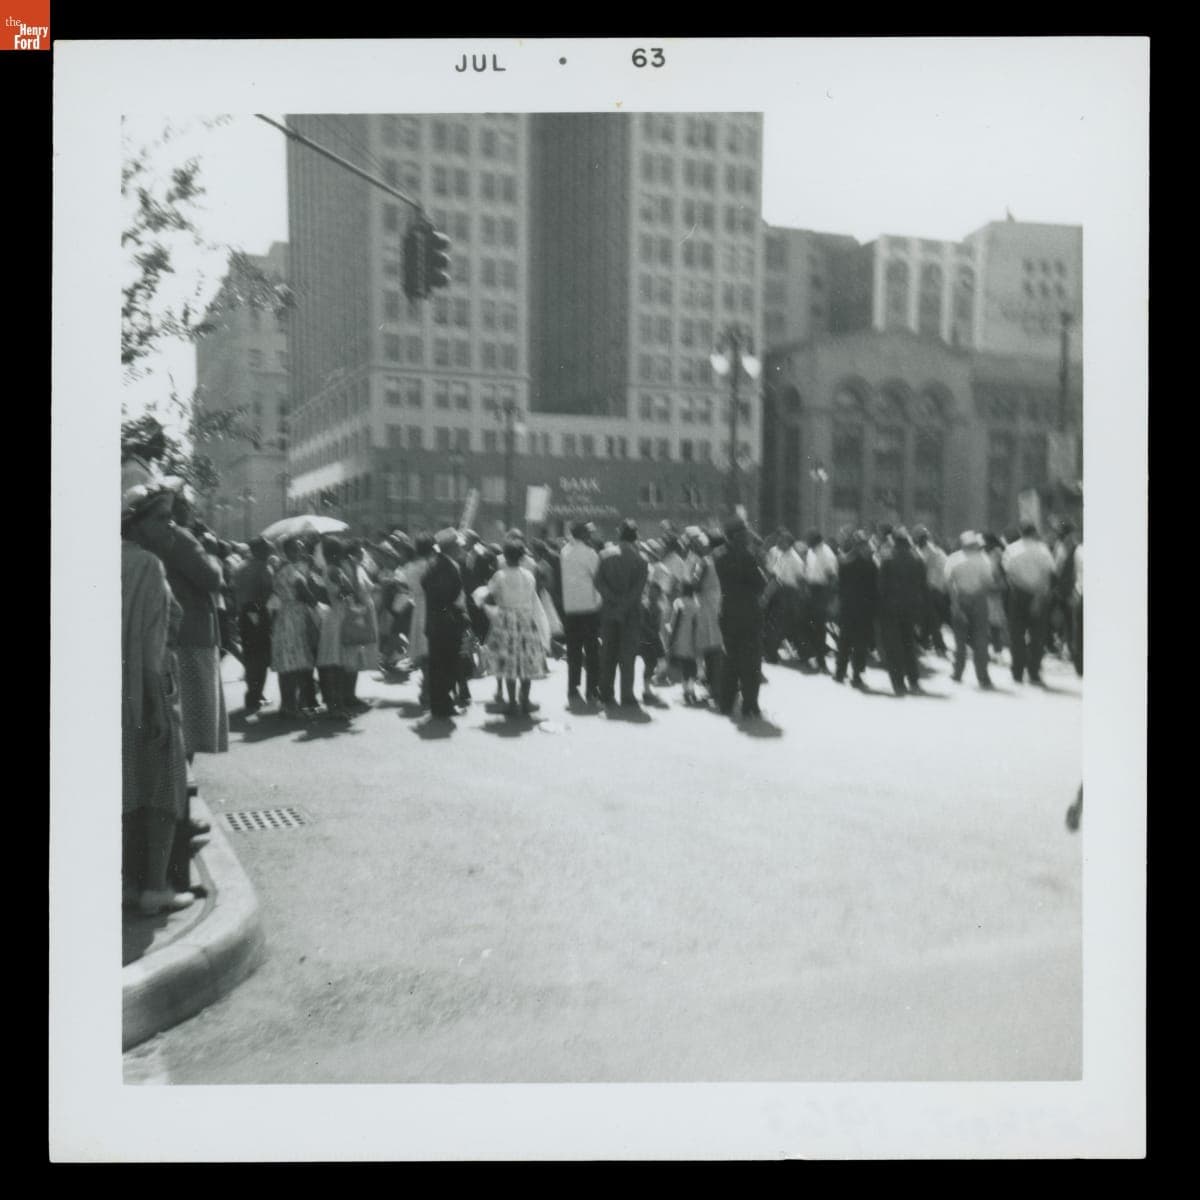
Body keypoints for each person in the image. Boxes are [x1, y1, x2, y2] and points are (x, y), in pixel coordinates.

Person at [122, 485, 193, 916]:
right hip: (149, 689)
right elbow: (151, 646)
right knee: (162, 788)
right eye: (161, 519)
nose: (170, 527)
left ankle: (130, 884)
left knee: (127, 787)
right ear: (136, 523)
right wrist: (155, 706)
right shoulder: (148, 565)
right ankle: (154, 887)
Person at [159, 484, 227, 873]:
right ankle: (180, 813)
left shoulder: (163, 537)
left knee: (179, 727)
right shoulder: (182, 539)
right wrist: (212, 556)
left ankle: (180, 810)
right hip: (192, 637)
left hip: (177, 636)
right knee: (190, 726)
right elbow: (211, 577)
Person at [481, 538, 548, 716]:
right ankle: (525, 700)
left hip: (505, 621)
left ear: (505, 556)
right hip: (526, 620)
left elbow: (488, 596)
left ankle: (511, 703)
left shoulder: (499, 576)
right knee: (526, 661)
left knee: (508, 662)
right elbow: (532, 599)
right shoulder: (529, 576)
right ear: (521, 557)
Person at [713, 516, 767, 718]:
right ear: (737, 536)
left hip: (727, 611)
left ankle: (726, 703)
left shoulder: (718, 555)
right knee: (751, 662)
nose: (747, 537)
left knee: (730, 659)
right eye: (745, 534)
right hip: (749, 612)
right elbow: (761, 584)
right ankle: (750, 705)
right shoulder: (747, 556)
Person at [597, 518, 650, 707]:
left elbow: (598, 583)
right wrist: (624, 604)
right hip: (632, 613)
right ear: (635, 537)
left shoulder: (604, 555)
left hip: (609, 611)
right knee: (628, 655)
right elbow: (638, 589)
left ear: (619, 534)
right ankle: (627, 694)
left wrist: (613, 600)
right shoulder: (642, 560)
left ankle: (606, 692)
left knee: (608, 652)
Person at [1001, 522, 1057, 685]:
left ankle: (1017, 672)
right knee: (1037, 636)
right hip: (1039, 594)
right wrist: (1040, 595)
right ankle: (1034, 672)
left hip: (1018, 595)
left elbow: (1007, 572)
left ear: (1021, 532)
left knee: (1016, 635)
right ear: (1034, 533)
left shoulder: (1012, 549)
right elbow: (1050, 574)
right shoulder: (1043, 549)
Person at [269, 536, 318, 719]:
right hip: (295, 617)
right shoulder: (293, 572)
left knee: (286, 664)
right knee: (295, 663)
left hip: (283, 616)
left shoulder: (279, 569)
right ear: (289, 551)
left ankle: (286, 705)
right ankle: (292, 706)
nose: (301, 551)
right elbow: (307, 596)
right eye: (297, 548)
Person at [422, 529, 468, 720]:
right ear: (451, 547)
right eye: (458, 545)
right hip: (447, 621)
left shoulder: (434, 564)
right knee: (447, 664)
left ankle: (438, 704)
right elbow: (451, 593)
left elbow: (424, 583)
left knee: (437, 664)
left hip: (435, 620)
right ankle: (444, 704)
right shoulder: (447, 567)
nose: (460, 548)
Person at [877, 527, 927, 697]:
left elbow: (881, 587)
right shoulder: (917, 559)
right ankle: (914, 680)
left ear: (894, 541)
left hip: (890, 609)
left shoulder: (887, 559)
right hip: (911, 608)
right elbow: (923, 587)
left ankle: (898, 683)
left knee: (893, 647)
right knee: (909, 645)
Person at [945, 531, 996, 689]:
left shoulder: (953, 559)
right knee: (981, 639)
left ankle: (957, 673)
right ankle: (983, 676)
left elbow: (948, 583)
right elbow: (988, 583)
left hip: (960, 598)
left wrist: (955, 603)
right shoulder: (983, 559)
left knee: (959, 640)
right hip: (979, 600)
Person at [560, 520, 602, 704]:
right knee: (592, 650)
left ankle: (572, 687)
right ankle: (591, 689)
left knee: (573, 650)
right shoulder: (590, 553)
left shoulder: (564, 552)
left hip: (570, 608)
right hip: (588, 607)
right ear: (584, 535)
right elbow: (597, 577)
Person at [232, 536, 275, 716]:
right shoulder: (264, 568)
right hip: (259, 612)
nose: (269, 552)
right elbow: (268, 592)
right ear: (259, 550)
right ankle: (256, 696)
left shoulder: (241, 567)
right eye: (266, 549)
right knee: (262, 657)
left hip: (244, 613)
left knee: (250, 655)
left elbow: (235, 590)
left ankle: (252, 695)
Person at [833, 530, 877, 689]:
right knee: (860, 643)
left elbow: (839, 586)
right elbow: (874, 589)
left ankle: (839, 672)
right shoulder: (870, 564)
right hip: (864, 610)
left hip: (847, 608)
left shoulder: (845, 562)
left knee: (844, 641)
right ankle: (856, 675)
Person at [685, 528, 725, 702]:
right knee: (716, 647)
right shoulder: (720, 560)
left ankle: (715, 689)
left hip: (706, 607)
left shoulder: (704, 563)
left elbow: (694, 584)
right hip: (718, 606)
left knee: (710, 649)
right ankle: (715, 687)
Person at [802, 530, 838, 672]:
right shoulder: (811, 552)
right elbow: (808, 570)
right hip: (811, 589)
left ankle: (821, 660)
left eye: (808, 539)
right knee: (806, 624)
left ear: (815, 540)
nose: (807, 542)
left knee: (819, 627)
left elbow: (832, 578)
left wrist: (829, 599)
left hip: (821, 591)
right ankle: (812, 656)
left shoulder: (827, 553)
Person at [913, 526, 949, 655]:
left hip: (930, 589)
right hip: (935, 588)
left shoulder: (927, 552)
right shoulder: (934, 550)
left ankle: (938, 645)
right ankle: (925, 641)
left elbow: (921, 569)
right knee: (929, 618)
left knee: (931, 618)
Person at [666, 578, 702, 705]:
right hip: (693, 639)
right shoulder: (696, 604)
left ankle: (686, 691)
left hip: (680, 638)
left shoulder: (678, 602)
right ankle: (690, 690)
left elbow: (674, 621)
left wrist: (671, 640)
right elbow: (698, 623)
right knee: (692, 667)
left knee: (685, 668)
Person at [637, 580, 667, 705]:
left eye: (655, 593)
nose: (652, 594)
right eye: (651, 591)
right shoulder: (644, 605)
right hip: (644, 639)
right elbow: (642, 623)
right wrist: (651, 633)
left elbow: (658, 626)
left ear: (659, 594)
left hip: (652, 639)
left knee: (654, 663)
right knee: (650, 663)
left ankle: (648, 688)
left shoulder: (659, 607)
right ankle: (647, 690)